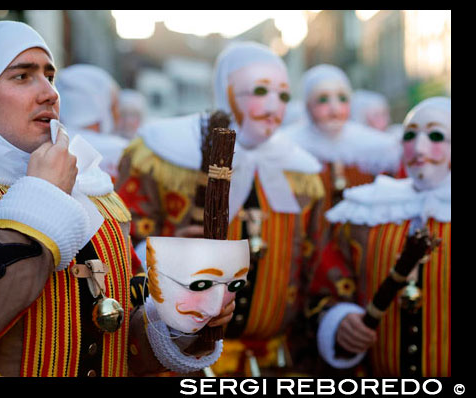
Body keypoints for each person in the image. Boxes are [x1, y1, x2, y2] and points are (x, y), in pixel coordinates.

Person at [0, 20, 232, 377]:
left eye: (49, 76)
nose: (49, 93)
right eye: (22, 76)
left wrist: (180, 318)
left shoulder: (91, 187)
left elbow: (120, 335)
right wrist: (42, 198)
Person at [116, 41, 326, 376]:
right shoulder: (162, 153)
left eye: (284, 95)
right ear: (225, 90)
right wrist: (162, 253)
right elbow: (120, 240)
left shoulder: (303, 173)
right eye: (259, 91)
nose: (274, 107)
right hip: (185, 365)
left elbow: (317, 264)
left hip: (275, 362)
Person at [305, 97, 451, 377]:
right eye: (409, 135)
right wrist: (339, 322)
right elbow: (325, 288)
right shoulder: (366, 214)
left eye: (435, 135)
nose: (418, 148)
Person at [281, 65, 402, 225]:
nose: (335, 109)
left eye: (343, 98)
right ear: (307, 104)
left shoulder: (375, 145)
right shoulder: (287, 144)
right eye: (323, 99)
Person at [54, 64, 129, 181]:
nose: (117, 115)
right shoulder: (124, 153)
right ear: (102, 105)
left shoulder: (44, 148)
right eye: (114, 106)